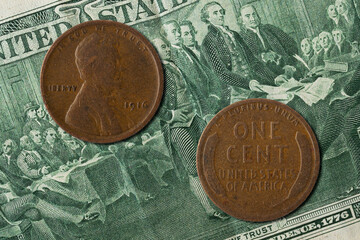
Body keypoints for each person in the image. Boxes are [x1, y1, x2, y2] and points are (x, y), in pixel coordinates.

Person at [153, 37, 229, 220]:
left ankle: (225, 199)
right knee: (193, 168)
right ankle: (210, 210)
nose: (168, 49)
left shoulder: (176, 66)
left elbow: (195, 92)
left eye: (167, 45)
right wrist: (170, 116)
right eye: (162, 47)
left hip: (195, 118)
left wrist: (205, 113)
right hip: (178, 126)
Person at [200, 2, 276, 105]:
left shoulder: (234, 34)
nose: (220, 15)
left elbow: (253, 62)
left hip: (254, 86)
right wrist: (247, 83)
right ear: (207, 18)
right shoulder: (208, 42)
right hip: (235, 95)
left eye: (221, 12)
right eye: (215, 13)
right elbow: (221, 74)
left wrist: (274, 78)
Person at [65, 32, 134, 136]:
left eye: (118, 60)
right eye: (111, 63)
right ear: (93, 67)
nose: (119, 67)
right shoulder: (76, 117)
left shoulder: (115, 98)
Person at [160, 20, 218, 114]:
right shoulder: (169, 58)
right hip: (196, 108)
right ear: (166, 37)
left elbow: (208, 73)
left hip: (210, 100)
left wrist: (214, 95)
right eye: (174, 32)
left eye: (179, 30)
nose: (178, 34)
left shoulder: (188, 50)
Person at [238, 4, 298, 75]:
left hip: (286, 70)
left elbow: (290, 43)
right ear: (242, 20)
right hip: (265, 77)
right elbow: (249, 62)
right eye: (248, 16)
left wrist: (290, 63)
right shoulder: (241, 38)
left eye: (254, 14)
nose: (253, 18)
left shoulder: (269, 29)